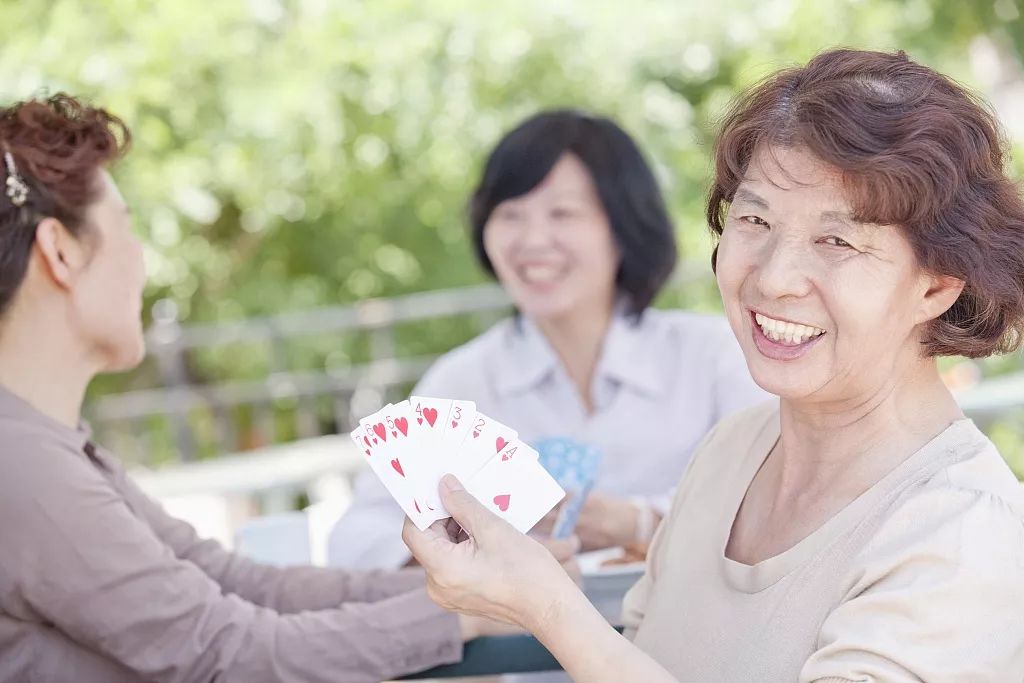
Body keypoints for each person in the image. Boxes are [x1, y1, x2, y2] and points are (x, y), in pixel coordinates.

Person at [402, 48, 1024, 682]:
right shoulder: (730, 452)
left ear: (939, 285)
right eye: (754, 219)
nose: (776, 278)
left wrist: (549, 607)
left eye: (837, 241)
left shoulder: (968, 534)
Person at [0, 94, 577, 683]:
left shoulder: (47, 446)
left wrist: (473, 583)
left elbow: (241, 584)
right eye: (126, 230)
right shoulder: (23, 467)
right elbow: (228, 652)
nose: (142, 263)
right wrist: (471, 608)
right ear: (60, 252)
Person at [329, 109, 767, 569]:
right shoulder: (463, 382)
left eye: (563, 213)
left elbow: (777, 509)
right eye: (510, 214)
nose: (534, 240)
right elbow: (356, 538)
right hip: (516, 635)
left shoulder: (714, 356)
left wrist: (640, 522)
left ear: (624, 227)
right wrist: (469, 550)